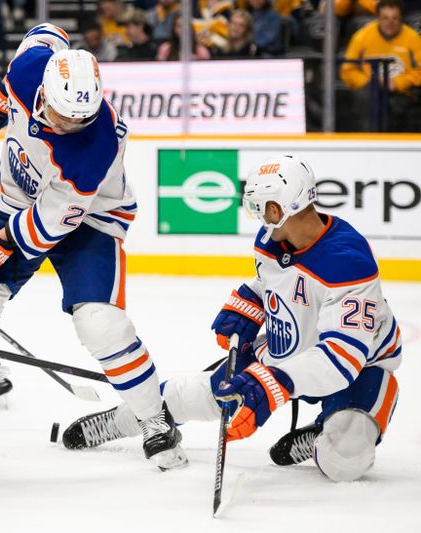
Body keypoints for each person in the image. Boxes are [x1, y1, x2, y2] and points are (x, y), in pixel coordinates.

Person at [0, 23, 188, 471]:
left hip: (91, 220)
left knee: (100, 324)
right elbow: (47, 31)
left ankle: (155, 419)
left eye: (81, 118)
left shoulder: (92, 146)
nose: (71, 125)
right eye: (63, 116)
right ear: (44, 90)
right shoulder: (29, 68)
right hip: (19, 201)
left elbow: (50, 224)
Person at [59, 156, 402, 484]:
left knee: (346, 460)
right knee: (197, 394)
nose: (256, 217)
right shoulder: (273, 240)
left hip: (356, 372)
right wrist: (250, 301)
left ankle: (323, 435)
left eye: (258, 208)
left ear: (276, 208)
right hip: (287, 352)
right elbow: (275, 280)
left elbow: (342, 358)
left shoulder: (349, 262)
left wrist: (274, 382)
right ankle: (122, 420)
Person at [340, 0, 421, 132]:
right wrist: (369, 83)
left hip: (402, 93)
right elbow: (348, 70)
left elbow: (419, 71)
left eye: (395, 18)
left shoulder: (413, 38)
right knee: (362, 99)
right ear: (378, 18)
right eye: (385, 18)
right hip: (369, 92)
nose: (390, 23)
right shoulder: (362, 37)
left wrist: (398, 83)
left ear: (401, 18)